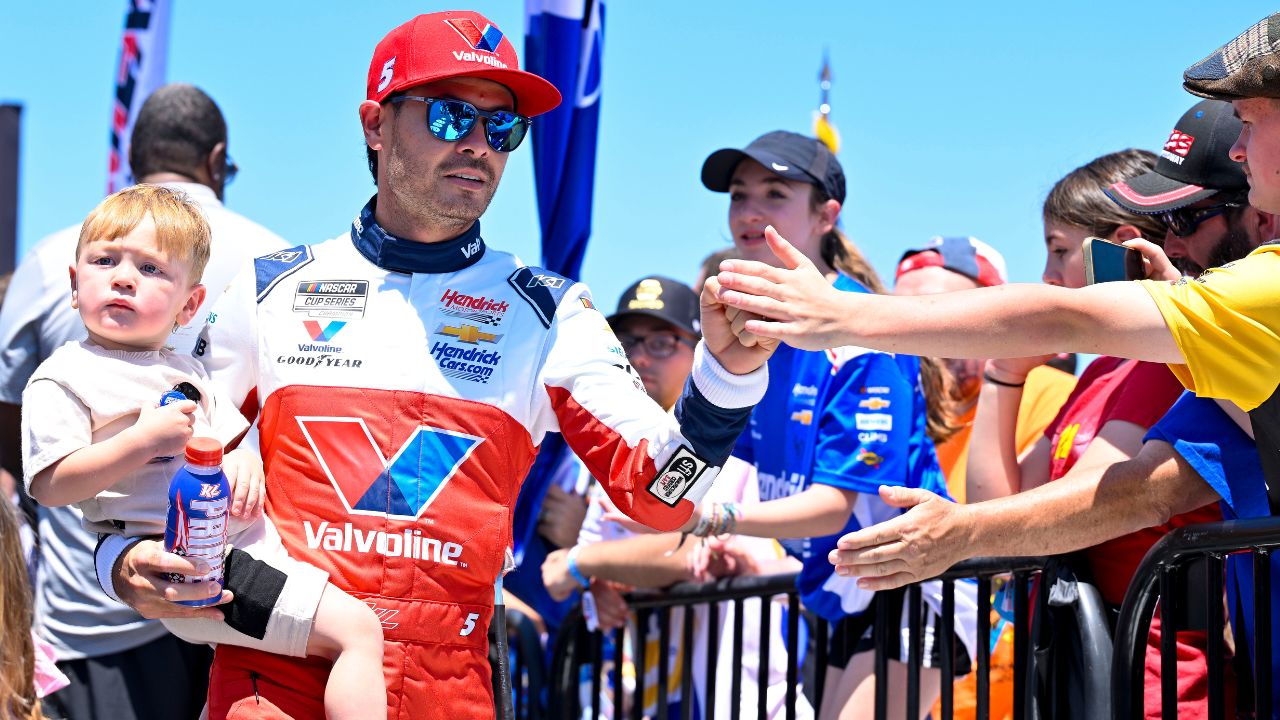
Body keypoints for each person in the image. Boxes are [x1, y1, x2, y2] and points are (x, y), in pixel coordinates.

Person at [100, 12, 772, 720]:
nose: (480, 145)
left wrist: (724, 382)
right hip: (276, 678)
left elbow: (661, 497)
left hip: (450, 689)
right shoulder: (271, 290)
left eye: (503, 128)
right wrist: (116, 564)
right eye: (452, 117)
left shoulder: (547, 313)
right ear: (375, 125)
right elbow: (141, 483)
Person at [21, 185, 386, 719]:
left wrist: (244, 459)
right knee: (359, 633)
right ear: (75, 285)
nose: (123, 277)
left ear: (190, 304)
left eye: (150, 269)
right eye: (105, 261)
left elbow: (234, 442)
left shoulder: (187, 371)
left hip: (242, 549)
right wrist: (140, 441)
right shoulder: (64, 376)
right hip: (195, 566)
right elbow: (52, 485)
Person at [0, 83, 288, 720]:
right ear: (218, 162)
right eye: (108, 262)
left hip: (96, 612)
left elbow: (7, 425)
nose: (127, 277)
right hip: (240, 598)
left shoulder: (52, 259)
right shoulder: (278, 262)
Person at [690, 130, 974, 720]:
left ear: (827, 214)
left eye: (773, 193)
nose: (747, 212)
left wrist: (708, 519)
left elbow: (832, 506)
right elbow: (706, 453)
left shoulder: (860, 332)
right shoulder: (751, 336)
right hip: (835, 588)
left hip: (911, 579)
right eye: (739, 195)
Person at [542, 276, 808, 719]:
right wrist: (599, 578)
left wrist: (582, 564)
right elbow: (569, 579)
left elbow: (686, 554)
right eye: (627, 341)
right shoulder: (609, 454)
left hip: (738, 699)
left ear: (700, 347)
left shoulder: (723, 444)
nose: (641, 356)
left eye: (664, 342)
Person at [892, 236, 1075, 504]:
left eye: (938, 311)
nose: (915, 334)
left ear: (996, 318)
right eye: (896, 315)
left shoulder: (1053, 394)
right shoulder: (891, 408)